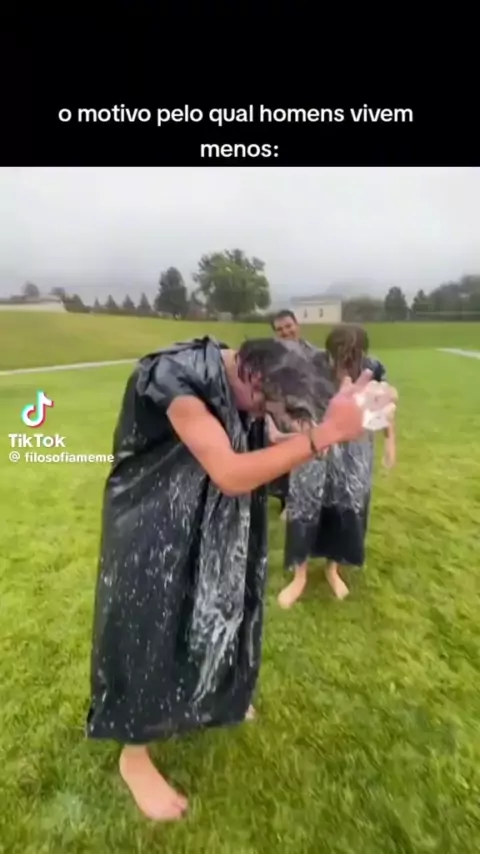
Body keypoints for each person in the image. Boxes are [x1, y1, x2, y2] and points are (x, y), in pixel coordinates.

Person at [86, 335, 397, 822]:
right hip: (152, 518)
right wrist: (324, 435)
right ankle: (134, 754)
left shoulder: (251, 378)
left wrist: (341, 424)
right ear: (253, 380)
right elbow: (230, 471)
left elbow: (269, 442)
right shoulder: (173, 379)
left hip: (213, 513)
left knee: (224, 603)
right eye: (266, 409)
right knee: (149, 625)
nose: (264, 419)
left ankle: (218, 697)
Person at [278, 324, 396, 608]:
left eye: (352, 356)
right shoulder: (311, 366)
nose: (345, 364)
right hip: (316, 443)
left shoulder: (372, 368)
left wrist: (390, 441)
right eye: (340, 355)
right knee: (306, 503)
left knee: (347, 503)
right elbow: (291, 406)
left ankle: (333, 568)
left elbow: (382, 406)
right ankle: (300, 574)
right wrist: (303, 430)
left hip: (355, 449)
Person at [269, 310, 317, 517]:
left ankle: (309, 499)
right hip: (283, 413)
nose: (285, 331)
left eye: (288, 326)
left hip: (311, 413)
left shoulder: (315, 354)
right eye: (280, 329)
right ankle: (286, 501)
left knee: (310, 458)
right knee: (284, 460)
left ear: (297, 325)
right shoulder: (271, 358)